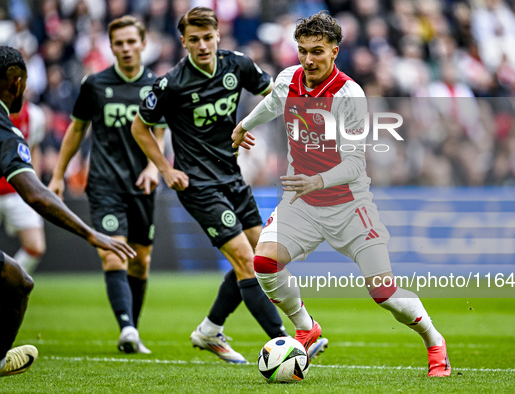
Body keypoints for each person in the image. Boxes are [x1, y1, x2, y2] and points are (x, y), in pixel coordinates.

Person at [231, 11, 452, 377]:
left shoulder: (350, 95)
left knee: (384, 294)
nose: (308, 59)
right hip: (302, 204)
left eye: (317, 51)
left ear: (335, 51)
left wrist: (316, 181)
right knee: (264, 262)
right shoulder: (288, 79)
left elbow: (354, 165)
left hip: (349, 206)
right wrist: (242, 126)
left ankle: (434, 341)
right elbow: (272, 105)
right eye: (302, 50)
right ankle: (306, 327)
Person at [132, 6, 327, 364]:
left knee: (266, 257)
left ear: (218, 35)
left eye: (208, 37)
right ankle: (290, 341)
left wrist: (255, 122)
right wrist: (164, 168)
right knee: (245, 259)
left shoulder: (237, 64)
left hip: (233, 178)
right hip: (198, 185)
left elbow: (276, 93)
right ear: (183, 42)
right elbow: (139, 126)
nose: (202, 45)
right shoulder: (170, 83)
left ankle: (209, 330)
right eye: (194, 40)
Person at [0, 45, 135, 381]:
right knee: (19, 284)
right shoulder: (2, 129)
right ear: (16, 82)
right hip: (8, 195)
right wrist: (91, 233)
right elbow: (35, 194)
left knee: (3, 276)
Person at [48, 16, 165, 354]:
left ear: (143, 43)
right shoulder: (94, 84)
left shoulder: (158, 86)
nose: (126, 48)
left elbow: (159, 128)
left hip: (142, 184)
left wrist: (153, 168)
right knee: (113, 254)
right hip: (103, 183)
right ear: (111, 47)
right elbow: (76, 130)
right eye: (119, 43)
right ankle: (126, 328)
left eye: (132, 42)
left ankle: (132, 327)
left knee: (140, 261)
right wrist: (57, 174)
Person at [0, 99, 47, 277]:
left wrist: (34, 186)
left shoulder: (35, 116)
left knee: (36, 246)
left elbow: (34, 150)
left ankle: (8, 281)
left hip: (18, 191)